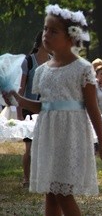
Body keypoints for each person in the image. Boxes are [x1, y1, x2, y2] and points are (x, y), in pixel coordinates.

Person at [2, 4, 102, 215]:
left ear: (70, 38)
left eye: (53, 31)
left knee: (63, 193)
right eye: (45, 29)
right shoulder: (43, 71)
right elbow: (43, 106)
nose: (46, 34)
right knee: (50, 193)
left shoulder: (83, 68)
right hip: (47, 135)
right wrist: (17, 98)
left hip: (70, 136)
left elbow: (92, 107)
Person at [16, 31, 51, 188]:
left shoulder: (52, 62)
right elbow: (21, 89)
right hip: (28, 110)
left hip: (45, 109)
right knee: (29, 149)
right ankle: (27, 178)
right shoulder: (28, 61)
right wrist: (19, 114)